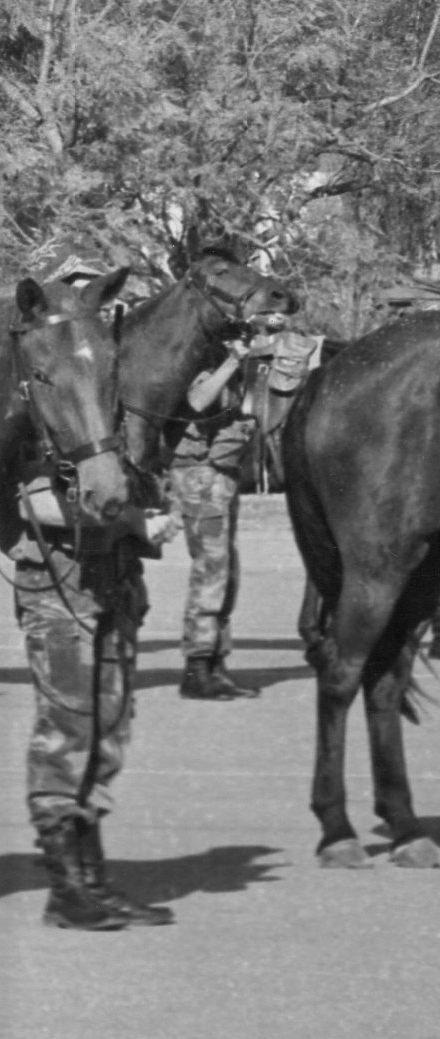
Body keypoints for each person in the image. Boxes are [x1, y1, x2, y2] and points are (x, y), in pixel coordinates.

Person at [16, 246, 177, 929]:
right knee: (67, 732)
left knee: (108, 731)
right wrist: (136, 515)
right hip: (62, 590)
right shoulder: (36, 402)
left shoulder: (101, 392)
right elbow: (35, 503)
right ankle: (64, 888)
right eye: (73, 298)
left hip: (114, 580)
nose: (82, 312)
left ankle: (94, 876)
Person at [169, 294, 260, 700]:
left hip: (221, 474)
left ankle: (215, 661)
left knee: (227, 570)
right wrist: (233, 362)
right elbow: (197, 400)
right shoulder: (192, 356)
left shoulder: (223, 356)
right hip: (198, 475)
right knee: (211, 568)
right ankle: (197, 666)